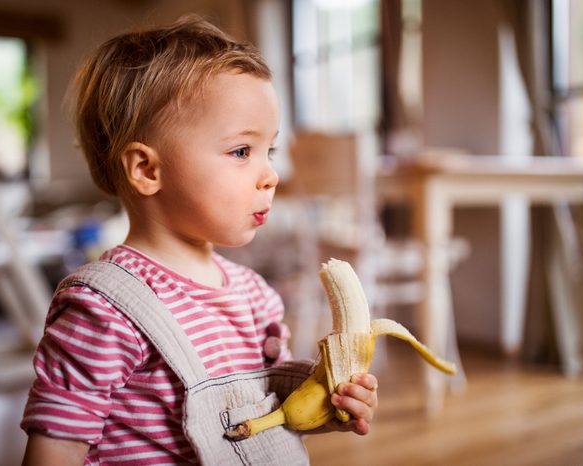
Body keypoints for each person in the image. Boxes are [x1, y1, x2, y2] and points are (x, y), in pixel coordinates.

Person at [20, 15, 378, 465]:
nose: (271, 175)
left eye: (270, 150)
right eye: (241, 151)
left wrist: (329, 409)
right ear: (148, 170)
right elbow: (58, 445)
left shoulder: (256, 298)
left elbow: (270, 418)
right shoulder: (103, 309)